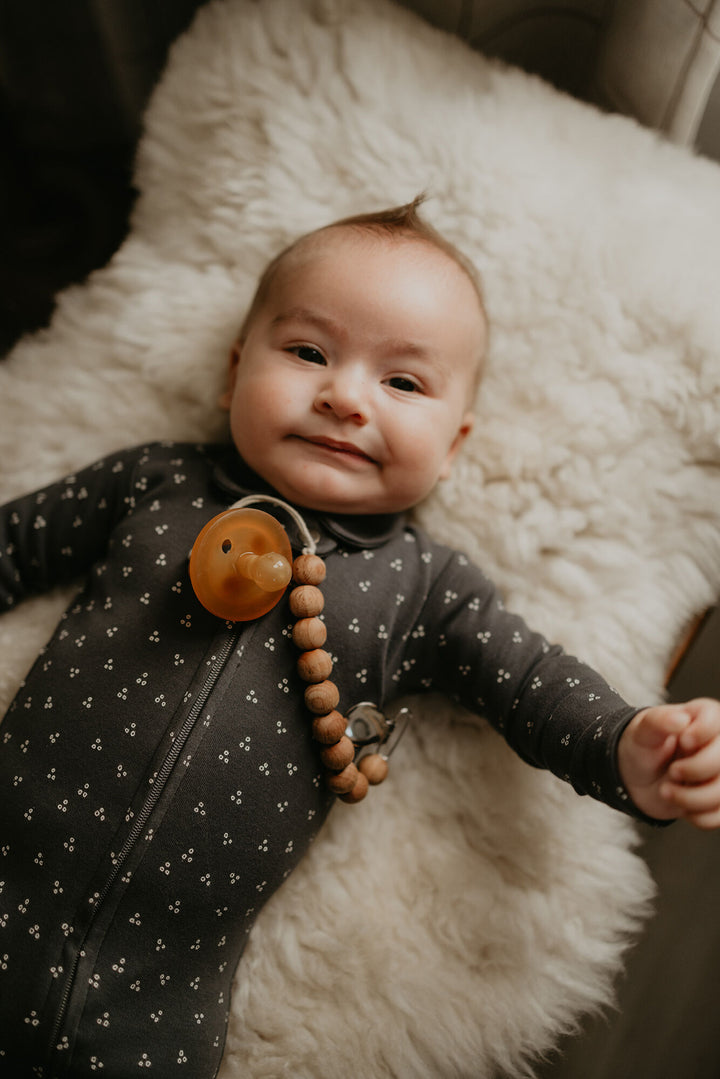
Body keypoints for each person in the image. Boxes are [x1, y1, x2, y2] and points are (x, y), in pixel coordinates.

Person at [1, 198, 719, 1077]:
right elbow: (14, 545)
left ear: (452, 445)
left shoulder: (424, 588)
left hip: (157, 994)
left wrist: (622, 741)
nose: (343, 395)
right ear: (234, 374)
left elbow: (533, 682)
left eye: (403, 382)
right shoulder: (155, 483)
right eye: (309, 352)